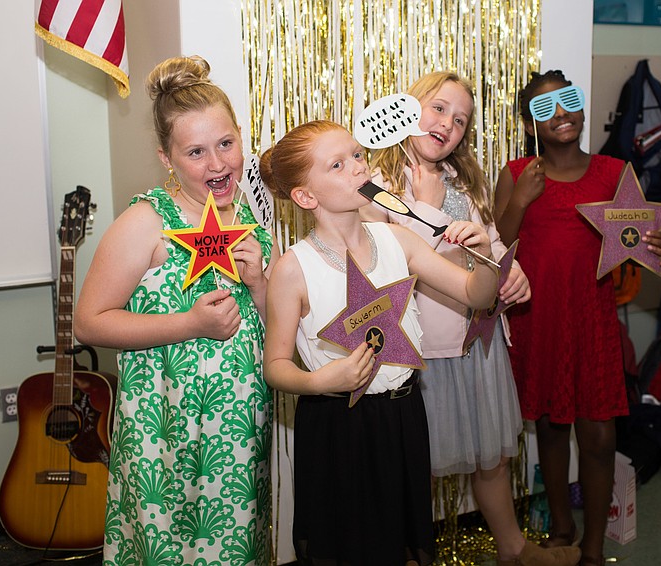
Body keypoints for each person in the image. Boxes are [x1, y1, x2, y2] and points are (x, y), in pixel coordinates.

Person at [361, 71, 581, 566]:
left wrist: (510, 268)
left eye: (460, 120)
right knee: (416, 465)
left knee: (493, 458)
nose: (448, 125)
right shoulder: (376, 183)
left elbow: (488, 239)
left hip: (478, 341)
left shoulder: (463, 178)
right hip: (423, 353)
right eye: (438, 109)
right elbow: (386, 266)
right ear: (408, 107)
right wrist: (425, 207)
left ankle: (513, 548)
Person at [261, 119, 500, 566]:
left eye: (356, 155)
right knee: (351, 547)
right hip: (337, 425)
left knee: (404, 543)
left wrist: (483, 253)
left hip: (404, 415)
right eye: (338, 164)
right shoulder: (294, 269)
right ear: (306, 197)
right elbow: (274, 364)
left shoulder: (399, 240)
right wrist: (319, 381)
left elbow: (476, 294)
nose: (358, 167)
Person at [74, 55, 280, 565]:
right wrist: (189, 323)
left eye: (226, 144)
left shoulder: (252, 213)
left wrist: (258, 284)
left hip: (237, 432)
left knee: (234, 547)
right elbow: (89, 320)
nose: (217, 164)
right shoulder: (146, 221)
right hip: (164, 430)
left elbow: (277, 321)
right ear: (167, 158)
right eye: (195, 152)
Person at [493, 70, 661, 566]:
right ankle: (561, 527)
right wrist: (521, 200)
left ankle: (592, 549)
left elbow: (642, 243)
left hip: (591, 323)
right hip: (538, 321)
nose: (562, 115)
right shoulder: (515, 173)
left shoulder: (613, 173)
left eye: (569, 101)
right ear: (529, 123)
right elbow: (496, 249)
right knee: (551, 427)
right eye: (544, 109)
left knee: (598, 435)